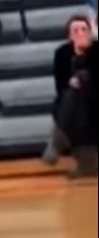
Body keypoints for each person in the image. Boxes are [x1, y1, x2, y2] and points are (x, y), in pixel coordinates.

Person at [44, 16, 98, 178]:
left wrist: (84, 57)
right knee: (73, 95)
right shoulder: (62, 54)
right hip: (73, 110)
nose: (81, 33)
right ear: (69, 36)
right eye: (76, 30)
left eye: (84, 30)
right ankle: (86, 163)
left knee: (83, 81)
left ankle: (59, 139)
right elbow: (60, 88)